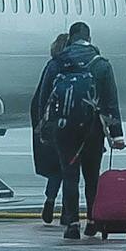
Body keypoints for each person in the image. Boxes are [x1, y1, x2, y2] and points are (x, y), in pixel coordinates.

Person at [38, 21, 121, 241]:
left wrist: (43, 127)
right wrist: (117, 134)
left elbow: (44, 97)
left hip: (65, 129)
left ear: (71, 38)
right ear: (89, 38)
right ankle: (92, 221)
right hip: (93, 130)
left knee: (69, 176)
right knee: (92, 177)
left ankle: (72, 223)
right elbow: (111, 102)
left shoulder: (57, 63)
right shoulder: (101, 64)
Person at [31, 28, 74, 226]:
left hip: (51, 123)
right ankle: (67, 210)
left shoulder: (52, 66)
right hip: (71, 123)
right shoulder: (73, 67)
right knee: (70, 169)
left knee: (56, 169)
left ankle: (50, 199)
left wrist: (41, 124)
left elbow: (41, 96)